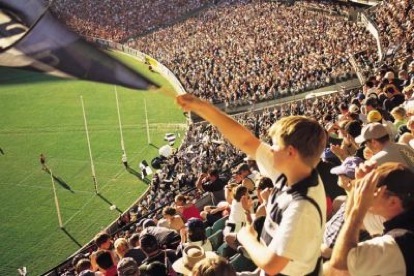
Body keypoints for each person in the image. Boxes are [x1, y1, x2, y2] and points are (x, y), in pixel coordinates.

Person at [177, 94, 327, 275]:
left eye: (274, 145)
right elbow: (247, 141)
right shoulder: (293, 170)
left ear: (291, 152)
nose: (269, 149)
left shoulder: (302, 207)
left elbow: (272, 265)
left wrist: (247, 238)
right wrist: (202, 108)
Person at [327, 162, 414, 275]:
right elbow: (349, 220)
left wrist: (359, 208)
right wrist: (357, 185)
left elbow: (341, 263)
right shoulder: (400, 215)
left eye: (370, 190)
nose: (363, 195)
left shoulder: (398, 242)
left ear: (393, 202)